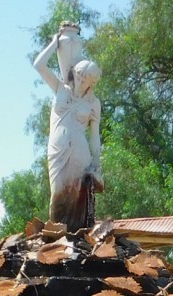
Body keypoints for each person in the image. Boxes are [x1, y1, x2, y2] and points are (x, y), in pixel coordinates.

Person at [34, 24, 104, 232]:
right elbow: (39, 65)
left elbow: (94, 136)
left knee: (77, 198)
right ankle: (55, 238)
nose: (82, 82)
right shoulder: (60, 88)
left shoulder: (93, 103)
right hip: (58, 149)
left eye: (87, 80)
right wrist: (54, 43)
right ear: (75, 73)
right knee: (57, 195)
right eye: (80, 77)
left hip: (80, 152)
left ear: (92, 83)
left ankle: (75, 241)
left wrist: (97, 163)